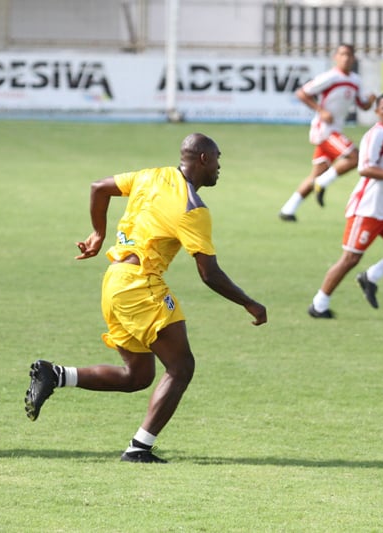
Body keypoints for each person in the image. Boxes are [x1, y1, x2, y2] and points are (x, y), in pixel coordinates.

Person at [24, 133, 267, 463]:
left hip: (114, 282)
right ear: (204, 159)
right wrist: (249, 302)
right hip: (141, 287)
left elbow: (99, 187)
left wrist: (98, 233)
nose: (220, 167)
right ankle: (139, 449)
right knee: (181, 367)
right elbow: (209, 273)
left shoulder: (151, 175)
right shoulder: (192, 208)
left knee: (137, 376)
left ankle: (55, 374)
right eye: (219, 159)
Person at [308, 92, 383, 318]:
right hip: (366, 208)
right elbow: (365, 168)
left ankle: (370, 277)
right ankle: (318, 304)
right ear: (377, 112)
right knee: (350, 258)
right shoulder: (375, 135)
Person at [279, 43, 375, 221]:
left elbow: (362, 105)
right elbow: (302, 93)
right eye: (342, 54)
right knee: (355, 157)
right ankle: (322, 183)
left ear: (353, 58)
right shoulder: (330, 77)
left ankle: (288, 210)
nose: (346, 58)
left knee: (316, 174)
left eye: (349, 55)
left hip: (335, 130)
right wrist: (320, 110)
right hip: (324, 130)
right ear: (335, 57)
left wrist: (369, 101)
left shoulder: (355, 80)